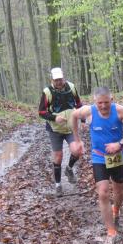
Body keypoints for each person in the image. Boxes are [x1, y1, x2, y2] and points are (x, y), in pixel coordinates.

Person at [70, 87, 123, 244]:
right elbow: (73, 115)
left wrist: (119, 144)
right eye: (99, 103)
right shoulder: (88, 111)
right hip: (99, 157)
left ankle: (116, 209)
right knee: (103, 193)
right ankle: (111, 232)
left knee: (119, 192)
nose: (103, 106)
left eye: (106, 102)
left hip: (117, 157)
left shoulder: (120, 111)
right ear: (95, 102)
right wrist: (77, 139)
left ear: (112, 100)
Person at [38, 67, 83, 196]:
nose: (59, 82)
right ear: (52, 80)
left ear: (64, 78)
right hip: (55, 129)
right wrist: (54, 118)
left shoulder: (71, 87)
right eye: (56, 80)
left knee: (77, 150)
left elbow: (79, 104)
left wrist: (83, 119)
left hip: (71, 127)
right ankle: (58, 185)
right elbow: (41, 112)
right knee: (58, 156)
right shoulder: (47, 92)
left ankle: (69, 169)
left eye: (60, 79)